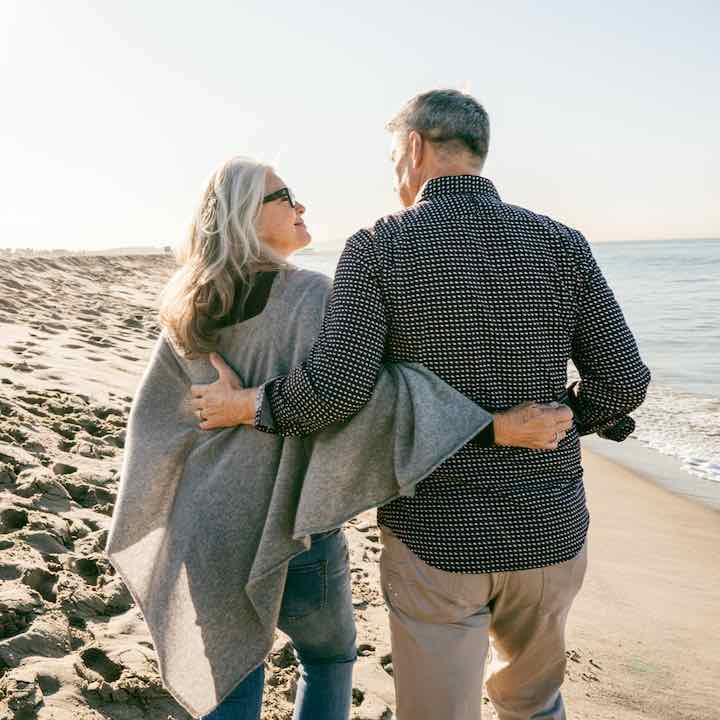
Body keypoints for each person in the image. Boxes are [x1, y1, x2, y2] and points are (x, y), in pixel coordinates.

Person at [192, 90, 651, 720]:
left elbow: (334, 394)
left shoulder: (381, 246)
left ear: (413, 148)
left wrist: (249, 404)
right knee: (535, 706)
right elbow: (625, 382)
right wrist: (570, 415)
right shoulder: (559, 242)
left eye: (391, 156)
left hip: (439, 533)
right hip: (552, 529)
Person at [109, 156, 572, 720]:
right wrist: (493, 426)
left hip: (207, 525)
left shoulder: (187, 304)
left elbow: (156, 420)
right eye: (284, 197)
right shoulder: (312, 298)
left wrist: (222, 423)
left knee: (229, 675)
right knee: (327, 658)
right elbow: (368, 401)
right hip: (294, 527)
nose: (300, 205)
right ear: (244, 216)